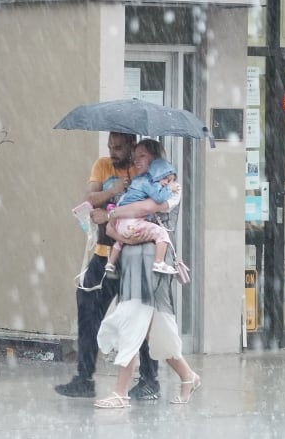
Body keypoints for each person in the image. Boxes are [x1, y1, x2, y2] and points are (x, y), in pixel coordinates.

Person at [55, 132, 167, 400]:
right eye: (110, 146)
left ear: (132, 145)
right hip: (104, 254)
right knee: (87, 304)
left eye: (118, 147)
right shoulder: (103, 166)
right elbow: (90, 198)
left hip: (135, 256)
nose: (113, 152)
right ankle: (84, 377)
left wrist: (113, 211)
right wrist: (114, 190)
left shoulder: (144, 169)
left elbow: (152, 207)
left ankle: (149, 380)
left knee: (139, 318)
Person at [93, 139, 201, 409]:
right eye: (136, 155)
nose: (137, 160)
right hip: (132, 262)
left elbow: (147, 209)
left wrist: (114, 214)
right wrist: (116, 225)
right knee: (154, 329)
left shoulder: (169, 187)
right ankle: (188, 376)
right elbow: (116, 231)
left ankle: (120, 391)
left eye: (143, 156)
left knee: (133, 319)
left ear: (156, 160)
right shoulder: (138, 185)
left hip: (151, 265)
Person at [104, 153, 182, 277]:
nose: (169, 183)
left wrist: (123, 237)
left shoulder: (137, 182)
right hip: (132, 224)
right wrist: (169, 189)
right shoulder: (151, 183)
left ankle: (110, 264)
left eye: (142, 156)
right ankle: (159, 262)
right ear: (158, 174)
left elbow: (110, 227)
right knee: (161, 234)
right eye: (167, 180)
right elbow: (157, 199)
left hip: (121, 224)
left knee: (119, 242)